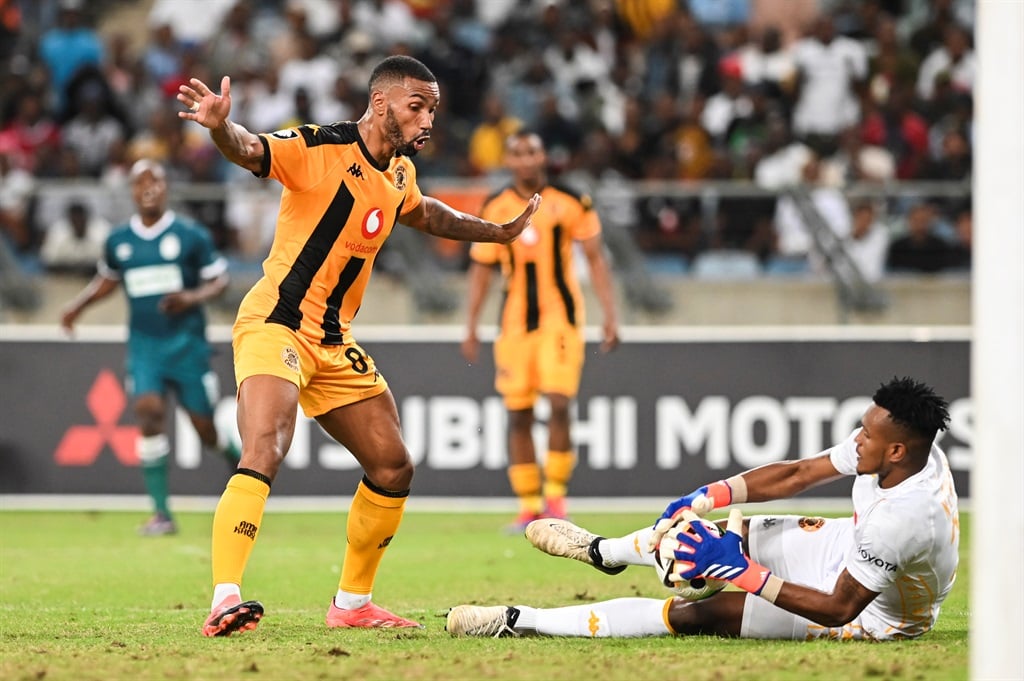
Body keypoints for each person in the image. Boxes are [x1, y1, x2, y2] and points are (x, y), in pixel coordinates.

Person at [176, 55, 540, 636]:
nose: (427, 121)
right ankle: (225, 597)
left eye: (434, 111)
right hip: (277, 323)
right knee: (266, 445)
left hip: (333, 339)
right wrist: (220, 124)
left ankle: (352, 603)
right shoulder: (319, 147)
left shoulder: (397, 173)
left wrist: (494, 231)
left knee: (392, 465)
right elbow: (249, 149)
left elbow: (425, 214)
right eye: (417, 107)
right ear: (380, 104)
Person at [447, 376, 959, 642]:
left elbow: (839, 607)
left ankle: (521, 620)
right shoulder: (902, 452)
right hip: (846, 546)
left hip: (873, 614)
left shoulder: (904, 518)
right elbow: (799, 473)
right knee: (696, 535)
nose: (858, 438)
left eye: (868, 434)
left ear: (896, 450)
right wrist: (708, 495)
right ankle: (604, 551)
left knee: (699, 613)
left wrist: (744, 573)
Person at [60, 159, 239, 536]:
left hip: (188, 346)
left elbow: (219, 280)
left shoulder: (189, 235)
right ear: (131, 191)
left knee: (205, 431)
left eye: (155, 180)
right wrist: (77, 306)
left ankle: (235, 460)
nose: (149, 187)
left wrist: (191, 298)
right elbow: (108, 279)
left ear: (165, 188)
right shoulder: (119, 241)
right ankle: (161, 513)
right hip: (146, 347)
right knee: (147, 411)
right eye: (140, 181)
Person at [461, 130, 619, 532]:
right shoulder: (495, 205)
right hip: (514, 325)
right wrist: (470, 325)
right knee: (518, 415)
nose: (526, 160)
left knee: (560, 403)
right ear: (509, 161)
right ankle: (529, 507)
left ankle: (556, 501)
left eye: (532, 151)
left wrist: (610, 315)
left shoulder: (570, 200)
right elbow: (481, 269)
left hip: (560, 320)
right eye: (517, 153)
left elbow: (597, 258)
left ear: (543, 156)